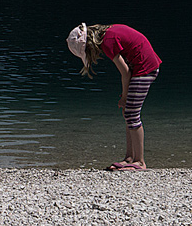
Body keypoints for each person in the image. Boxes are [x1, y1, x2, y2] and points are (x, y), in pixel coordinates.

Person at [66, 23, 161, 171]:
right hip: (140, 66)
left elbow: (125, 72)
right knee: (128, 113)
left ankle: (140, 161)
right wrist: (125, 98)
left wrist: (124, 97)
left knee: (131, 113)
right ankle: (129, 158)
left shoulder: (107, 43)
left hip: (145, 68)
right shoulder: (108, 33)